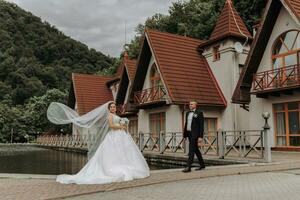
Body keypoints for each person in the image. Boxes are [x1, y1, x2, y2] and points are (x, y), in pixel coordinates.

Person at [47, 101, 150, 184]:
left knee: (124, 153)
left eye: (114, 107)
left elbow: (120, 125)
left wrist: (124, 124)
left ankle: (125, 166)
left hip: (121, 136)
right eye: (112, 107)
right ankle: (112, 169)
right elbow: (111, 126)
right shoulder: (110, 116)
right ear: (109, 109)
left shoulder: (117, 116)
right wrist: (121, 126)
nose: (113, 108)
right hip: (113, 136)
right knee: (114, 154)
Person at [182, 100, 205, 173]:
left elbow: (201, 125)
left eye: (192, 104)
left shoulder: (199, 113)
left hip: (195, 134)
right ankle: (202, 165)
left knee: (191, 150)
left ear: (195, 105)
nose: (190, 105)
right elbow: (186, 124)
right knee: (196, 150)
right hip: (189, 134)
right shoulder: (187, 113)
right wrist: (185, 135)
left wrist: (200, 136)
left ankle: (188, 166)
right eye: (189, 104)